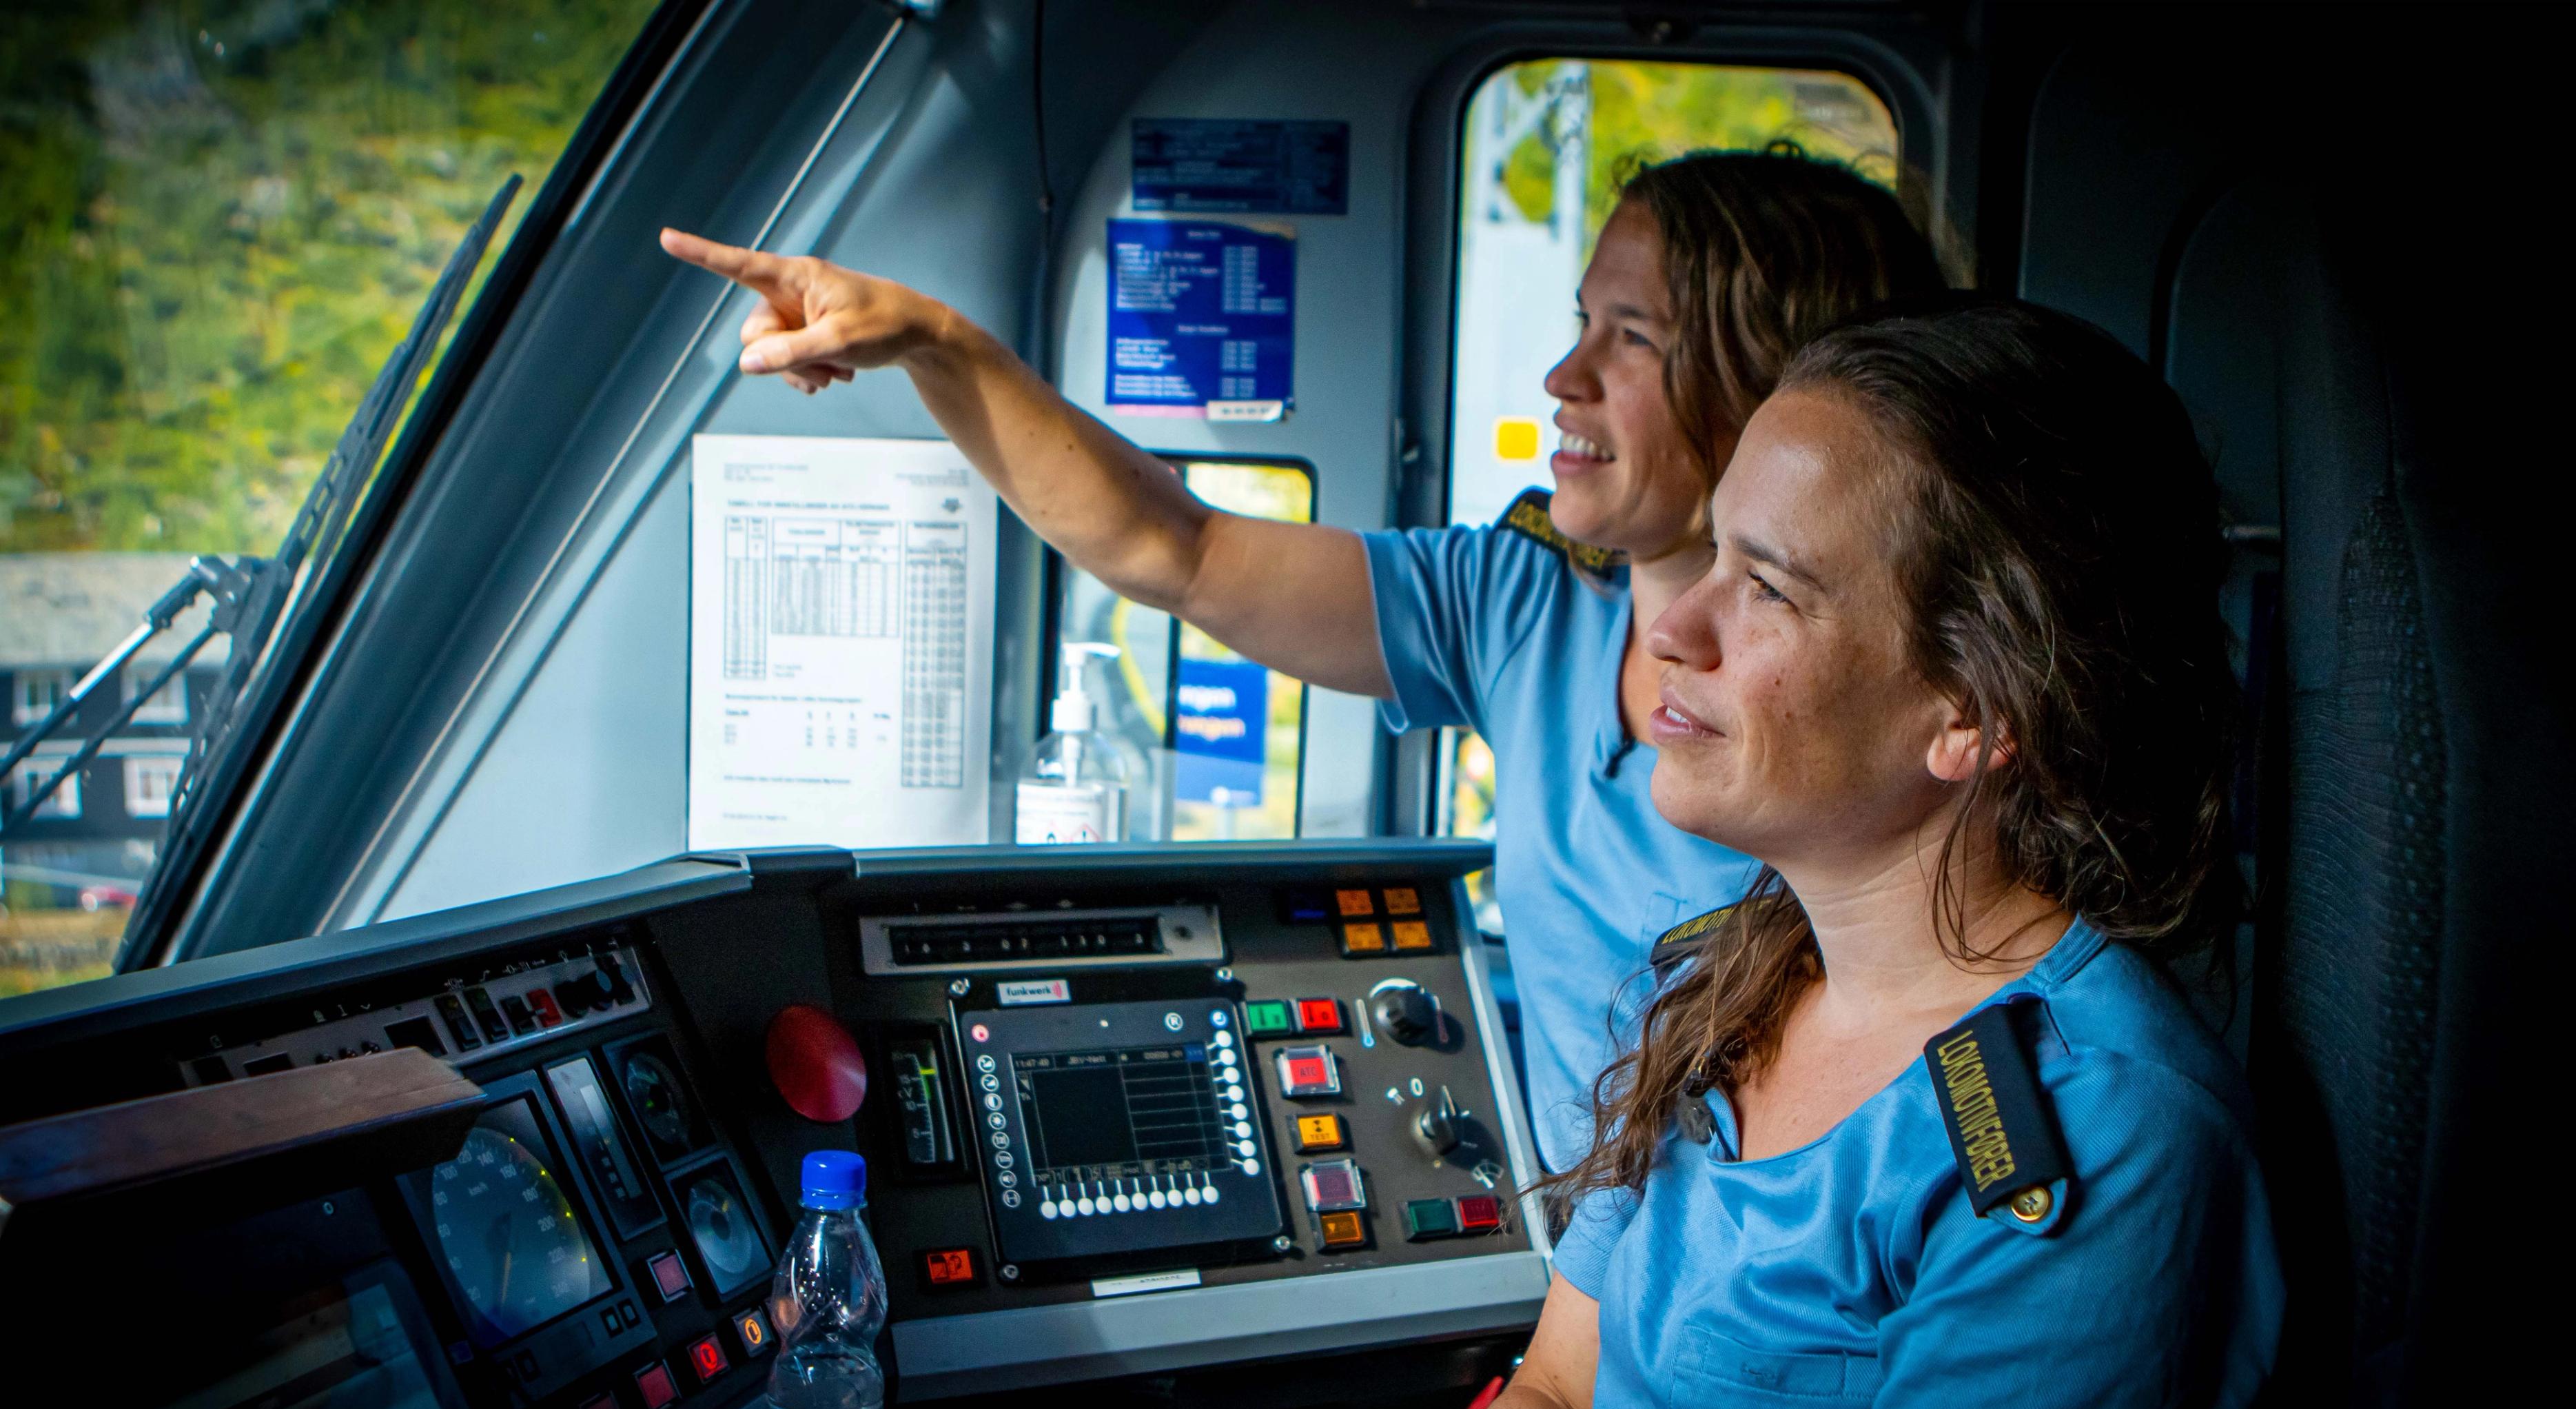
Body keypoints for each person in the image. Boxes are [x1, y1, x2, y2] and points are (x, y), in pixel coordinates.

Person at [661, 149, 1944, 1172]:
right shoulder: (1520, 601)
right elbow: (1179, 550)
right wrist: (938, 341)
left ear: (1771, 382)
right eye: (1580, 324)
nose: (1565, 376)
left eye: (1635, 341)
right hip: (1586, 1295)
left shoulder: (1865, 716)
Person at [1435, 299, 2282, 1409]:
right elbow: (1562, 1394)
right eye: (1713, 554)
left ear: (1972, 711)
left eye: (1769, 587)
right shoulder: (1733, 979)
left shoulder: (2104, 1140)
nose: (1675, 627)